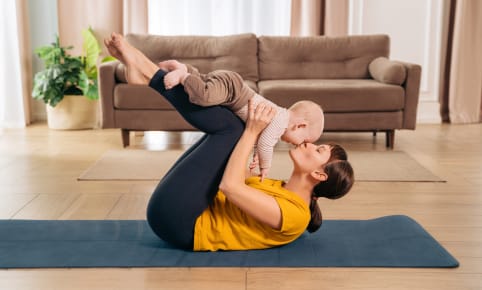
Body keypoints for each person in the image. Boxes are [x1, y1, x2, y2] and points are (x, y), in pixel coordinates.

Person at [104, 32, 354, 251]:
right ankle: (153, 73)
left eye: (319, 148)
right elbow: (232, 167)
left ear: (320, 175)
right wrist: (251, 132)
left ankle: (150, 73)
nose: (308, 144)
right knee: (235, 127)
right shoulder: (280, 186)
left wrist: (252, 132)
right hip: (185, 207)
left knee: (236, 131)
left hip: (181, 223)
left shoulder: (295, 215)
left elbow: (230, 187)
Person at [157, 59, 325, 180]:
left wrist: (256, 156)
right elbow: (266, 143)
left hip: (230, 86)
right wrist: (265, 166)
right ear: (300, 125)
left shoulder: (279, 117)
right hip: (232, 90)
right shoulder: (281, 122)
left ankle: (184, 68)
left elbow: (259, 138)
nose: (297, 145)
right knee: (203, 97)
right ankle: (182, 76)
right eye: (302, 141)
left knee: (204, 84)